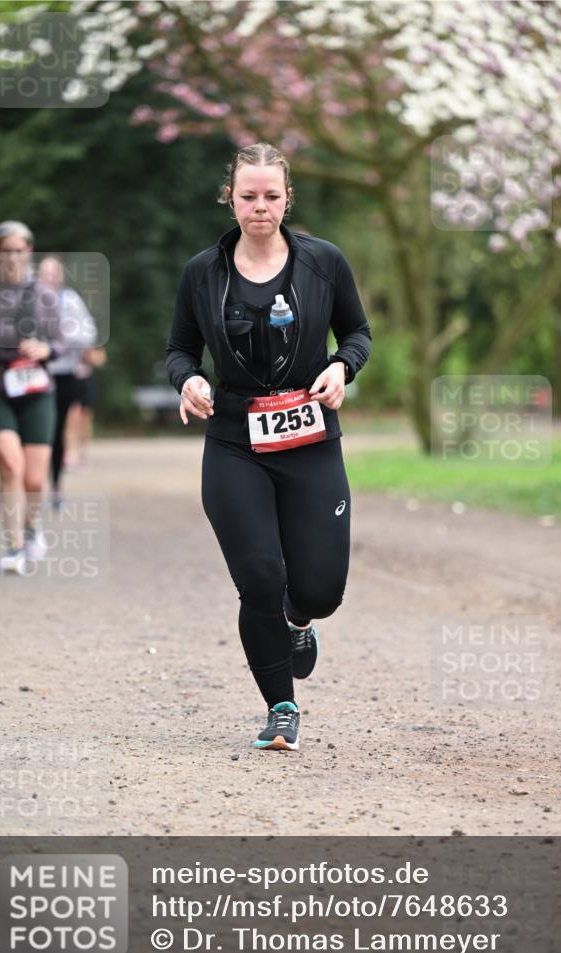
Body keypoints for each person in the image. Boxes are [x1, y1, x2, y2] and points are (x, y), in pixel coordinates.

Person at [166, 142, 371, 751]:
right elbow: (179, 349)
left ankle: (300, 623)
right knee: (259, 576)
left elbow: (356, 332)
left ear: (287, 198)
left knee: (319, 590)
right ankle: (281, 706)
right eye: (248, 196)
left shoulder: (323, 263)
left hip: (310, 440)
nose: (260, 207)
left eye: (272, 196)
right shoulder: (203, 271)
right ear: (229, 196)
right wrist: (189, 380)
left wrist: (342, 368)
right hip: (234, 443)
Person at [0, 221, 64, 574]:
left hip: (37, 392)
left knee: (34, 480)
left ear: (29, 253)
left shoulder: (44, 295)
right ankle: (14, 546)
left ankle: (32, 528)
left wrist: (45, 348)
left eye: (20, 250)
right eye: (7, 251)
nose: (14, 257)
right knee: (10, 465)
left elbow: (62, 343)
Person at [38, 255, 98, 507]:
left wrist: (60, 340)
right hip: (36, 374)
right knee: (36, 432)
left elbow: (89, 333)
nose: (50, 277)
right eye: (45, 272)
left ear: (60, 276)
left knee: (56, 430)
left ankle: (55, 486)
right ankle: (31, 484)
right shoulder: (29, 300)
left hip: (64, 375)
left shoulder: (70, 300)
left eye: (55, 273)